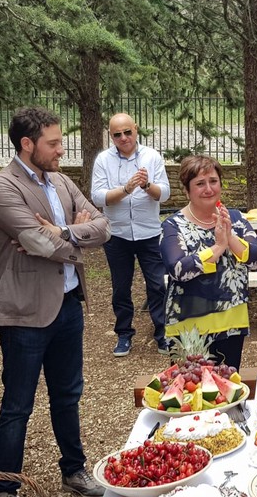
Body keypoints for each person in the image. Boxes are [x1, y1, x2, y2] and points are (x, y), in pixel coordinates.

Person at [0, 107, 110, 497]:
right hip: (24, 315)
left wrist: (65, 231)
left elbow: (104, 226)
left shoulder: (61, 181)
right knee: (17, 406)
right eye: (53, 143)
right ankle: (5, 489)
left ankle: (73, 470)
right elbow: (37, 241)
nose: (61, 149)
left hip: (69, 306)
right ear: (27, 144)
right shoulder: (1, 188)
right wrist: (75, 238)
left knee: (68, 395)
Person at [159, 155, 257, 370]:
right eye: (200, 183)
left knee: (227, 386)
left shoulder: (236, 219)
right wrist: (217, 248)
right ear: (187, 190)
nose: (208, 188)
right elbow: (178, 268)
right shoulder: (173, 225)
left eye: (213, 181)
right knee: (192, 390)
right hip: (188, 326)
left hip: (232, 321)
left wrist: (230, 237)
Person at [92, 113, 171, 357]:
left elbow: (165, 194)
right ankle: (124, 334)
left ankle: (162, 334)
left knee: (157, 285)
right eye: (117, 134)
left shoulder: (152, 156)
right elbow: (97, 197)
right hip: (117, 234)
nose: (124, 138)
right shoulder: (103, 160)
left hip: (148, 233)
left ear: (136, 129)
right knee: (121, 287)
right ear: (111, 135)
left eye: (128, 132)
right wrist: (127, 188)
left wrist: (146, 185)